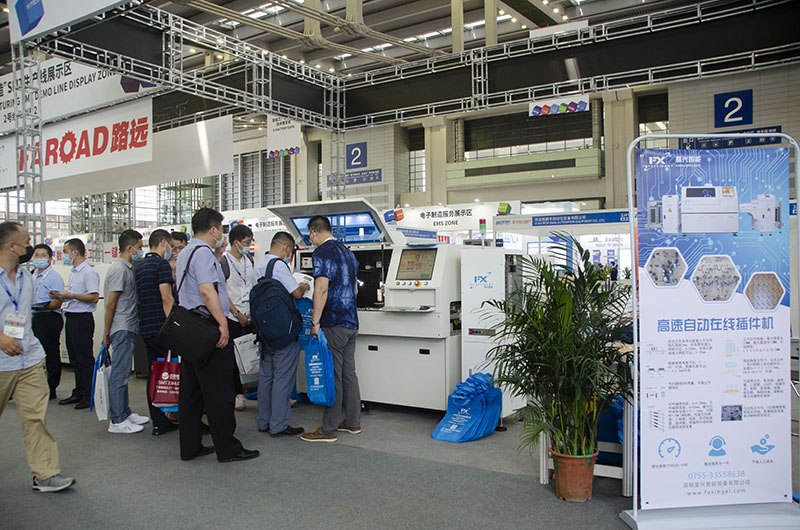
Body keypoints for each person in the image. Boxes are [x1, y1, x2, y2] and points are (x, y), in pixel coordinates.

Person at [174, 208, 258, 463]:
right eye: (220, 229)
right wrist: (222, 324)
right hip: (208, 327)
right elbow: (207, 291)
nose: (222, 233)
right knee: (220, 391)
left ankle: (190, 446)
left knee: (191, 391)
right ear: (212, 230)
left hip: (190, 329)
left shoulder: (186, 252)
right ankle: (227, 448)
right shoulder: (202, 254)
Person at [0, 222, 75, 492]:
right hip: (1, 362)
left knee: (35, 418)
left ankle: (46, 474)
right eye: (27, 242)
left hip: (29, 358)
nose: (31, 247)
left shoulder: (26, 275)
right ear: (12, 246)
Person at [300, 215, 362, 443]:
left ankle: (328, 429)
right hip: (351, 322)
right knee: (349, 374)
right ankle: (353, 422)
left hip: (333, 323)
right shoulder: (348, 252)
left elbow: (321, 288)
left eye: (310, 236)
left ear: (314, 232)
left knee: (332, 375)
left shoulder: (322, 252)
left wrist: (315, 322)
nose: (311, 240)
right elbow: (354, 290)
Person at [253, 231, 309, 437]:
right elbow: (296, 293)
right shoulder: (279, 266)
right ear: (286, 247)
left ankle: (264, 421)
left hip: (264, 331)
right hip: (284, 333)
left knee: (266, 378)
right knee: (283, 379)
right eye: (291, 251)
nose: (290, 255)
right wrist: (304, 286)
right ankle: (279, 425)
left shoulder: (258, 266)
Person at [102, 230, 149, 434]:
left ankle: (125, 412)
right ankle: (117, 419)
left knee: (123, 373)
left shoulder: (126, 268)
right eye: (139, 247)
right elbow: (110, 304)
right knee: (119, 375)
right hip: (121, 327)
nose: (140, 250)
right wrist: (106, 332)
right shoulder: (119, 270)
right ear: (129, 248)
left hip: (127, 326)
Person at [134, 229, 178, 436]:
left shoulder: (140, 267)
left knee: (154, 373)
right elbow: (166, 298)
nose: (171, 249)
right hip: (162, 328)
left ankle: (158, 421)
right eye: (170, 245)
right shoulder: (161, 265)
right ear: (162, 243)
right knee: (171, 371)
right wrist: (174, 326)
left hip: (146, 327)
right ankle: (172, 414)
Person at [52, 238, 99, 410]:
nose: (64, 255)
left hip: (82, 319)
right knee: (75, 357)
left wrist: (71, 295)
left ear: (75, 252)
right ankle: (78, 391)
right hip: (71, 316)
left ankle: (88, 394)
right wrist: (62, 296)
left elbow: (94, 297)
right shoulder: (74, 272)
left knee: (84, 358)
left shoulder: (88, 272)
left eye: (65, 252)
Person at [223, 224, 254, 412]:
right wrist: (236, 313)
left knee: (253, 353)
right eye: (246, 242)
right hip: (232, 316)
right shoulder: (224, 262)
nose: (249, 245)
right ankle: (237, 394)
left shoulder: (249, 259)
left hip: (249, 314)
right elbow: (222, 292)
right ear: (236, 242)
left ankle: (255, 389)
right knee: (232, 358)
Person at [30, 244, 64, 400]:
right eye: (36, 255)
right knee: (34, 353)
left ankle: (51, 388)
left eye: (43, 255)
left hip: (49, 317)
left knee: (50, 353)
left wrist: (41, 307)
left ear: (50, 259)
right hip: (35, 316)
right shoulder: (32, 275)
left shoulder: (54, 277)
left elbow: (58, 302)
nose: (39, 258)